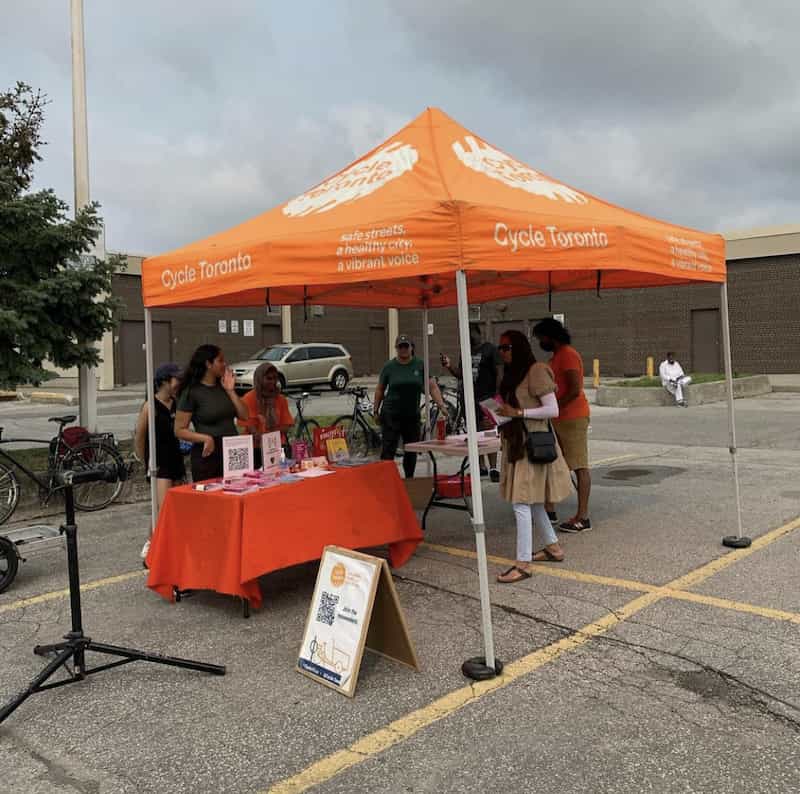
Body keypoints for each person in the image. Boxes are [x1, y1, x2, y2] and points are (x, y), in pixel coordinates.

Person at [493, 331, 572, 583]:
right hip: (518, 443)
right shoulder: (513, 374)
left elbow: (552, 409)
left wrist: (516, 412)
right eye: (500, 348)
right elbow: (515, 410)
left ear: (518, 347)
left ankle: (523, 563)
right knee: (534, 500)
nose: (502, 352)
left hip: (531, 445)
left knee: (521, 502)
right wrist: (499, 414)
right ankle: (553, 547)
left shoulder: (536, 370)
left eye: (506, 347)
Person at [533, 318, 592, 533]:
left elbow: (575, 389)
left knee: (579, 465)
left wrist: (556, 407)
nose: (540, 342)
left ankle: (583, 516)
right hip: (559, 418)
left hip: (573, 418)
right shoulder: (556, 357)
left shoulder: (568, 355)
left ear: (551, 336)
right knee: (554, 464)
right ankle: (550, 509)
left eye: (541, 338)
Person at [374, 335, 447, 478]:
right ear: (396, 348)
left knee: (411, 449)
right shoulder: (389, 366)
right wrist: (375, 410)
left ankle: (409, 480)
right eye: (400, 346)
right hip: (391, 414)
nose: (403, 349)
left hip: (412, 415)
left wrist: (441, 405)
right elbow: (380, 389)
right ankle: (387, 480)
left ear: (412, 347)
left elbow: (432, 387)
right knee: (389, 449)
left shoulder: (420, 364)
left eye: (406, 346)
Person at [134, 362, 185, 563]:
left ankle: (153, 541)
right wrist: (145, 461)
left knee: (170, 506)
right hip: (159, 463)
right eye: (176, 379)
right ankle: (155, 547)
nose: (178, 383)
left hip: (176, 459)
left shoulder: (177, 403)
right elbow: (140, 436)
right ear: (164, 381)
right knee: (163, 508)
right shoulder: (150, 406)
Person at [175, 344, 249, 482]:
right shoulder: (192, 392)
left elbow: (245, 416)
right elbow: (179, 430)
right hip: (208, 452)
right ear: (208, 364)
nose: (225, 364)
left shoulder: (224, 386)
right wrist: (205, 438)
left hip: (233, 448)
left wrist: (231, 391)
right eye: (220, 360)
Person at [441, 323, 502, 481]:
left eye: (468, 334)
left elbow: (499, 373)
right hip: (469, 398)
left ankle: (494, 468)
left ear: (477, 333)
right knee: (474, 433)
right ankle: (481, 467)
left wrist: (498, 396)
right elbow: (461, 374)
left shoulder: (490, 349)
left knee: (489, 432)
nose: (465, 338)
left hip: (488, 397)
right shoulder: (465, 351)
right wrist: (449, 366)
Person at [237, 362, 294, 463]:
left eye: (275, 378)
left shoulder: (280, 399)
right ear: (259, 378)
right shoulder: (249, 398)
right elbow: (252, 429)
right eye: (268, 378)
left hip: (277, 448)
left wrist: (266, 430)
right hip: (255, 449)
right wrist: (270, 431)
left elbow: (286, 426)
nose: (273, 381)